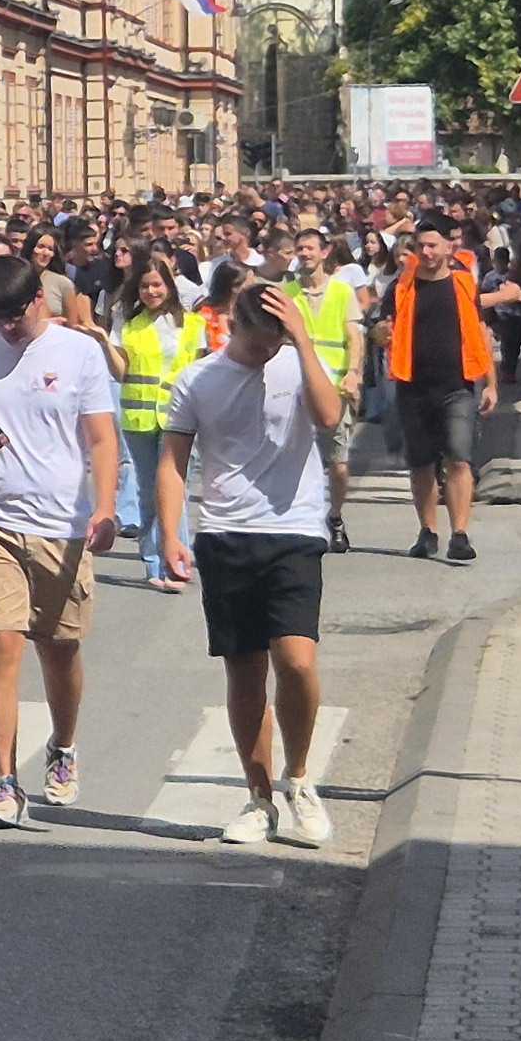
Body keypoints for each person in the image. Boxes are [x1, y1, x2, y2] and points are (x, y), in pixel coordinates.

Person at [155, 276, 344, 848]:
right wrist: (172, 535)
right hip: (227, 533)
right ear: (233, 326)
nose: (267, 355)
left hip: (294, 530)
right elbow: (172, 463)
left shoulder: (298, 362)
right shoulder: (198, 380)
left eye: (275, 343)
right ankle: (259, 798)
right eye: (259, 343)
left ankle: (300, 779)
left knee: (297, 661)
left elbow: (330, 417)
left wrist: (303, 341)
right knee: (244, 672)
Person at [0, 252, 123, 831]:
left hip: (61, 524)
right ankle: (4, 783)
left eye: (14, 315)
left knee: (60, 648)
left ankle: (62, 744)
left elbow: (101, 438)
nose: (6, 328)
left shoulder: (78, 352)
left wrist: (106, 507)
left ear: (38, 298)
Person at [387, 222, 494, 565]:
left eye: (433, 245)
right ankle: (427, 531)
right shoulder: (401, 285)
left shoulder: (463, 284)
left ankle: (460, 534)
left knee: (459, 458)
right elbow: (380, 325)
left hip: (457, 386)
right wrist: (379, 334)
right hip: (412, 385)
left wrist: (491, 382)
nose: (426, 252)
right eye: (421, 245)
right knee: (421, 463)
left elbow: (480, 331)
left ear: (449, 247)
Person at [111, 270, 210, 595]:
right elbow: (121, 371)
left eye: (157, 284)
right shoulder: (129, 325)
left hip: (179, 417)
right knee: (148, 490)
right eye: (144, 286)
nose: (151, 291)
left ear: (169, 286)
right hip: (140, 418)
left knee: (175, 488)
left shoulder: (193, 324)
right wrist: (102, 341)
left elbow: (200, 369)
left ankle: (176, 560)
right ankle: (154, 561)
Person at [285, 228, 365, 552]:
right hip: (297, 385)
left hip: (336, 388)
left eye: (310, 248)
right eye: (300, 249)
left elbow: (355, 337)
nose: (305, 254)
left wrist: (354, 373)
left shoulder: (342, 291)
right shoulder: (288, 292)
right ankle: (302, 521)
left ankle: (335, 515)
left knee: (338, 463)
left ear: (324, 252)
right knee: (297, 457)